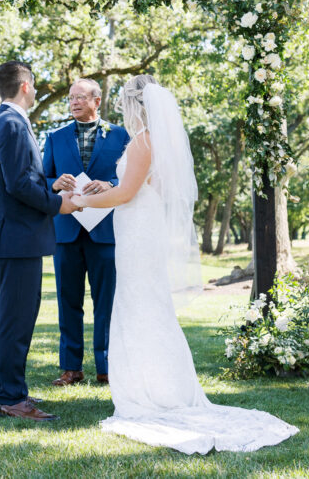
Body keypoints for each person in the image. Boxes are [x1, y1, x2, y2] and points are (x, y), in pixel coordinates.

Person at [72, 75, 297, 454]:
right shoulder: (150, 141)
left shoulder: (143, 141)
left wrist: (79, 202)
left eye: (124, 104)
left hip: (139, 232)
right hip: (139, 228)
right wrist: (103, 188)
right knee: (142, 306)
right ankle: (152, 384)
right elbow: (133, 187)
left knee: (142, 307)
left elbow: (128, 193)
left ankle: (154, 391)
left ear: (134, 105)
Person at [0, 61, 80, 421]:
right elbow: (17, 185)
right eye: (34, 86)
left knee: (19, 319)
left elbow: (23, 177)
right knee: (16, 322)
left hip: (18, 237)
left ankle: (13, 392)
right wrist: (59, 204)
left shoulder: (5, 121)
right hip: (17, 237)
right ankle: (11, 398)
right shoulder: (10, 124)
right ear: (24, 86)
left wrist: (50, 183)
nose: (36, 92)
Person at [42, 78, 129, 386]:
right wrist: (54, 183)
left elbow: (133, 178)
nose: (74, 102)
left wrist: (111, 185)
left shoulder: (120, 135)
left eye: (80, 97)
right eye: (70, 98)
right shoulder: (55, 137)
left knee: (107, 302)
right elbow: (42, 178)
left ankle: (107, 367)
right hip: (65, 232)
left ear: (97, 101)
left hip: (105, 231)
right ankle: (71, 368)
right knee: (68, 300)